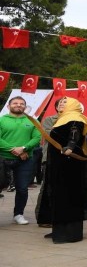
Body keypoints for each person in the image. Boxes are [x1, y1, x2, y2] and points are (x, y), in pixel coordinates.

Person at [39, 97, 87, 243]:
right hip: (58, 162)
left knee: (68, 195)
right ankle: (59, 228)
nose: (61, 104)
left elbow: (75, 133)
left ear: (73, 105)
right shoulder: (61, 119)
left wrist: (70, 147)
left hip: (69, 163)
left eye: (64, 103)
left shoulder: (76, 118)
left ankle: (70, 233)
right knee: (57, 194)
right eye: (60, 103)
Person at [0, 96, 41, 225]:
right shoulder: (1, 120)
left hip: (25, 159)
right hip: (3, 158)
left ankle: (18, 214)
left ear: (25, 107)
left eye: (21, 103)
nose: (18, 105)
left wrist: (24, 148)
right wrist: (13, 149)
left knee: (22, 188)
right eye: (15, 103)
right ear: (8, 106)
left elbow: (37, 137)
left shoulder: (33, 121)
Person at [35, 98, 65, 226]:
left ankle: (61, 216)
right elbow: (52, 136)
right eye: (61, 104)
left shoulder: (77, 120)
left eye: (67, 103)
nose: (64, 105)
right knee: (47, 187)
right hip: (51, 158)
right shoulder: (49, 120)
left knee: (64, 188)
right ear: (56, 107)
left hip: (69, 159)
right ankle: (44, 217)